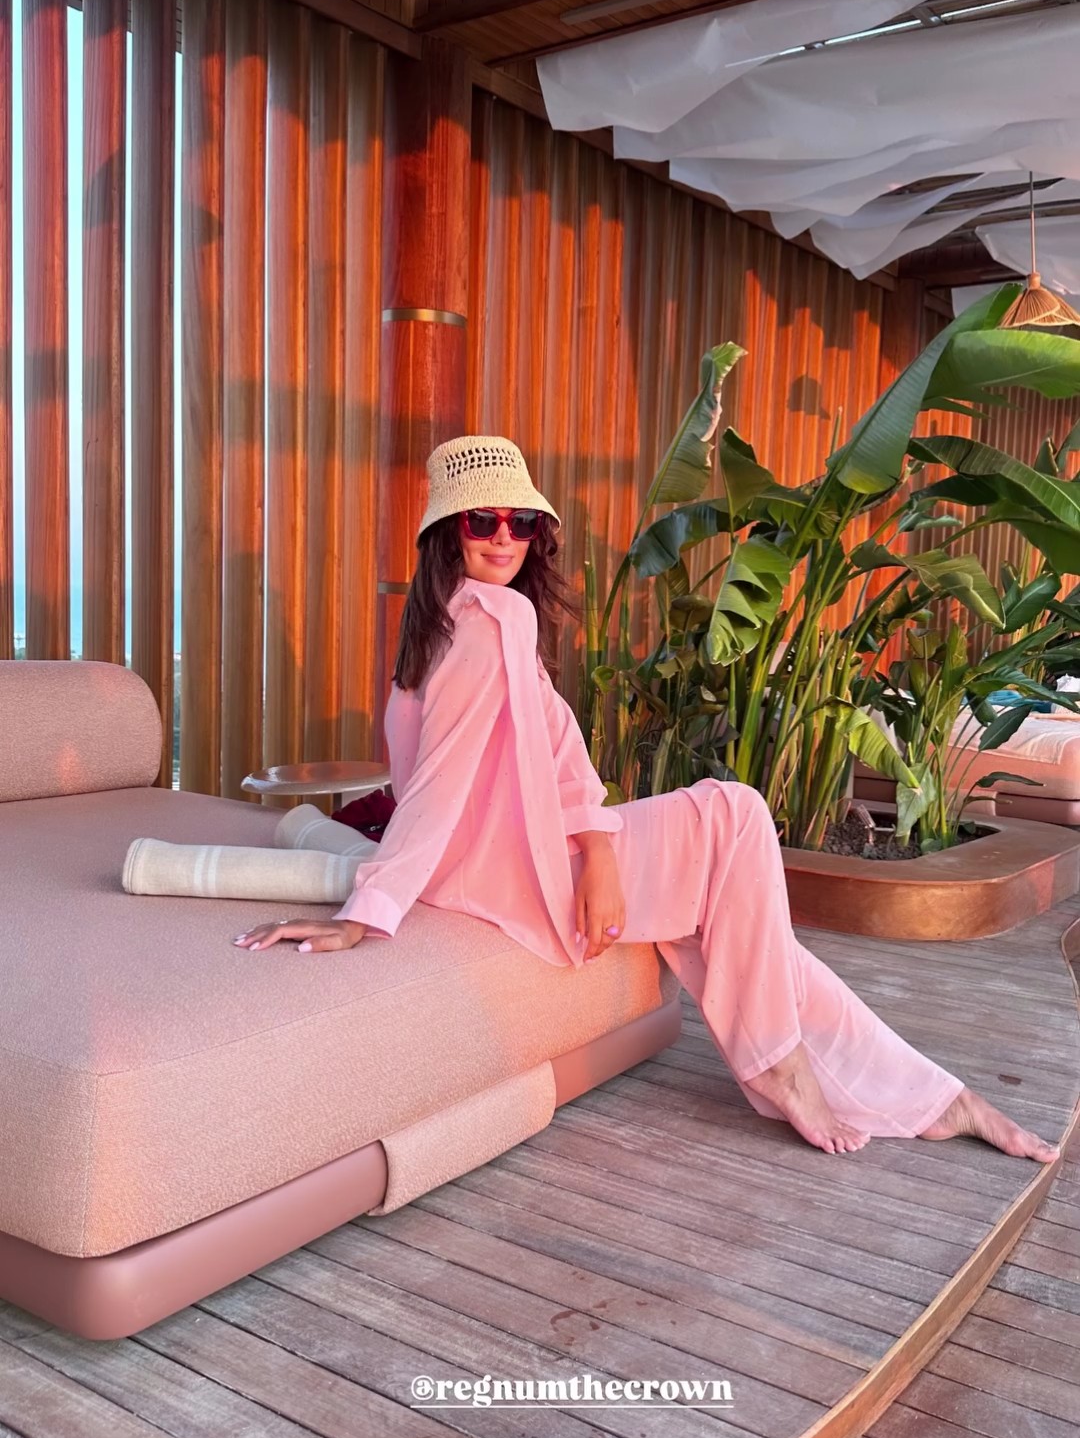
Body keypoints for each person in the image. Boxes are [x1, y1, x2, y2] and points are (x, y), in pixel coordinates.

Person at [235, 435, 1058, 1163]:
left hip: (528, 851)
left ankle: (931, 1095)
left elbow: (562, 753)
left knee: (750, 915)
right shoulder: (487, 623)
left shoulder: (456, 626)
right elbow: (439, 786)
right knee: (735, 813)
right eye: (482, 521)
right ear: (447, 532)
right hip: (511, 870)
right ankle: (797, 1065)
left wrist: (600, 853)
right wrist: (367, 912)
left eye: (521, 523)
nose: (504, 539)